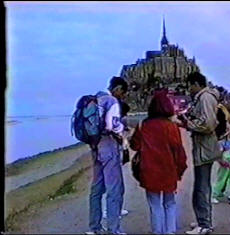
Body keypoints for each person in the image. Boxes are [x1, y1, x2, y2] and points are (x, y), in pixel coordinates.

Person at [130, 90, 187, 234]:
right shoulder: (171, 127)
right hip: (168, 171)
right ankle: (170, 231)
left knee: (154, 205)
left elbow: (134, 146)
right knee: (170, 204)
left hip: (149, 171)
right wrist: (180, 171)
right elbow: (179, 151)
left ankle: (157, 231)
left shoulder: (143, 125)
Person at [178, 72, 221, 234]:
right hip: (203, 147)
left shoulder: (205, 98)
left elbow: (208, 124)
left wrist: (188, 124)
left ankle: (204, 224)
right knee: (202, 186)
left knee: (201, 187)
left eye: (190, 86)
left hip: (205, 148)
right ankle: (203, 220)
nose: (189, 89)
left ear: (196, 84)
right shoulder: (205, 98)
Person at [86, 76, 128, 235]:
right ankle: (114, 229)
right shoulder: (111, 101)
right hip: (108, 146)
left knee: (96, 188)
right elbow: (112, 125)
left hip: (95, 146)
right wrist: (122, 135)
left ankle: (94, 227)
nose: (122, 97)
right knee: (113, 189)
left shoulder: (95, 99)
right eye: (122, 93)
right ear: (117, 88)